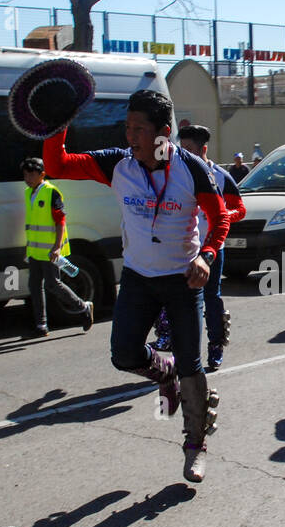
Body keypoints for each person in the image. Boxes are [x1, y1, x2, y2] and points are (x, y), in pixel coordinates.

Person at [40, 82, 229, 483]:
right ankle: (164, 373)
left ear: (163, 132)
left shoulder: (191, 169)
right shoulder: (118, 164)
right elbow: (56, 165)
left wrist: (206, 256)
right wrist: (59, 123)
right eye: (127, 128)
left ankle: (195, 444)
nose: (130, 137)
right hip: (139, 278)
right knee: (123, 355)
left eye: (138, 129)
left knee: (193, 364)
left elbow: (221, 217)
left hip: (182, 280)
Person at [151, 125, 245, 370]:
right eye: (182, 149)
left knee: (210, 298)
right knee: (170, 295)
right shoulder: (176, 173)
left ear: (203, 149)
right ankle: (168, 334)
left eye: (190, 150)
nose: (185, 154)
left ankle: (215, 344)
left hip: (212, 249)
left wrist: (222, 214)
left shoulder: (221, 177)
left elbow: (240, 209)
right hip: (183, 249)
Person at [21, 157, 94, 337]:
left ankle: (83, 307)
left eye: (31, 174)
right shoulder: (28, 193)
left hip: (50, 251)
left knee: (53, 284)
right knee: (34, 286)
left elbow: (61, 222)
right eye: (25, 174)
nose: (27, 178)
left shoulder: (51, 193)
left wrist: (57, 248)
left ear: (42, 175)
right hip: (35, 251)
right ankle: (41, 325)